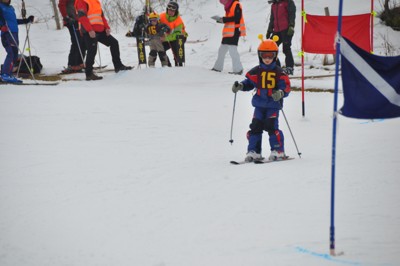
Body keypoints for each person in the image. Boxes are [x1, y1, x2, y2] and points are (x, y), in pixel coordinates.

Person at [231, 38, 291, 162]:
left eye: (270, 56)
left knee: (271, 126)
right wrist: (240, 86)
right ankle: (254, 151)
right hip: (259, 104)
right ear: (260, 55)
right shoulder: (256, 71)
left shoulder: (279, 72)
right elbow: (249, 82)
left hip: (273, 105)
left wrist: (280, 93)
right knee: (255, 127)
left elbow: (286, 87)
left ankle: (278, 150)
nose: (267, 59)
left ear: (275, 56)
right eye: (264, 55)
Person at [75, 0, 133, 81]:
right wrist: (89, 30)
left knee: (114, 42)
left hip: (100, 30)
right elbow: (82, 17)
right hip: (89, 31)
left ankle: (118, 66)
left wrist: (106, 27)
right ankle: (89, 74)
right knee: (92, 51)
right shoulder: (82, 1)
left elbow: (101, 16)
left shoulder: (96, 2)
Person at [0, 0, 34, 83]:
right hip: (7, 33)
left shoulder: (10, 8)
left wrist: (26, 20)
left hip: (14, 33)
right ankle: (5, 75)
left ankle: (8, 74)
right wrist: (1, 26)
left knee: (15, 55)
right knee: (11, 53)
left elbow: (14, 21)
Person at [211, 0, 246, 75]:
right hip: (228, 33)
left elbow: (237, 18)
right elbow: (230, 19)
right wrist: (221, 20)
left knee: (233, 51)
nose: (222, 3)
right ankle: (217, 68)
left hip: (234, 32)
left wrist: (224, 19)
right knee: (221, 51)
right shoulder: (229, 6)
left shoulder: (236, 4)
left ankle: (238, 70)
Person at [266, 0, 296, 75]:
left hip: (286, 29)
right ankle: (276, 67)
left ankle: (289, 68)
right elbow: (272, 19)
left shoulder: (288, 2)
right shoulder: (274, 4)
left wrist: (291, 25)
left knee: (286, 49)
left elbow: (292, 14)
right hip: (276, 31)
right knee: (270, 49)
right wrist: (269, 30)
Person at [58, 0, 86, 74]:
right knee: (76, 41)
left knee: (83, 41)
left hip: (78, 20)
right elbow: (61, 5)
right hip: (71, 20)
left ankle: (80, 64)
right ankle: (72, 65)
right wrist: (66, 17)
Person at [159, 1, 187, 67]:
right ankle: (167, 65)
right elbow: (154, 24)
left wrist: (165, 38)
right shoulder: (161, 16)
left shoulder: (178, 20)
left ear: (176, 11)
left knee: (176, 46)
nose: (170, 12)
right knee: (160, 48)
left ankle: (178, 64)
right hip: (167, 38)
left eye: (173, 11)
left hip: (179, 37)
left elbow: (177, 35)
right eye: (169, 10)